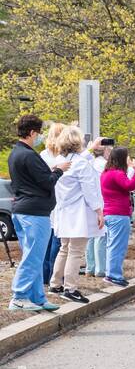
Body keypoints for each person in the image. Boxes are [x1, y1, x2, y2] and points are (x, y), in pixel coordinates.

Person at [6, 115, 65, 312]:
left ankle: (37, 297)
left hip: (23, 211)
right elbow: (47, 181)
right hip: (34, 213)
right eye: (38, 133)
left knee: (34, 256)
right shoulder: (30, 155)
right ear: (32, 133)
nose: (40, 137)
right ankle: (19, 296)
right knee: (33, 257)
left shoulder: (16, 153)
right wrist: (59, 170)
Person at [49, 126, 104, 305]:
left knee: (64, 248)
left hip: (63, 210)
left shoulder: (58, 161)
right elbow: (90, 190)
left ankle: (55, 283)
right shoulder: (81, 164)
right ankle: (70, 288)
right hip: (79, 212)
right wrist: (99, 211)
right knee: (76, 251)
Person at [100, 146, 135, 287]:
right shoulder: (117, 173)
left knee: (112, 245)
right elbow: (129, 185)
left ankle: (111, 272)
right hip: (118, 214)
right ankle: (113, 275)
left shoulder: (106, 172)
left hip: (110, 212)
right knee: (117, 246)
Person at [37, 122, 69, 288]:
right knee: (55, 243)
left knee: (50, 243)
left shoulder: (44, 154)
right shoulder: (56, 158)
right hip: (55, 203)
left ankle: (48, 276)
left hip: (53, 203)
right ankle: (52, 277)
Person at [83, 137, 112, 279]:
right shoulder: (105, 165)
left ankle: (90, 267)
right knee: (100, 236)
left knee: (91, 236)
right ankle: (100, 269)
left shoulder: (90, 162)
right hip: (101, 201)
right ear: (105, 150)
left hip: (90, 201)